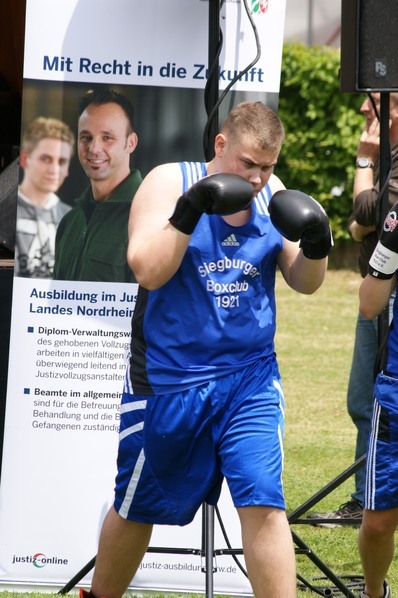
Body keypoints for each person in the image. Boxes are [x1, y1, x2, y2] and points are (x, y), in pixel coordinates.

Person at [79, 101, 332, 598]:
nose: (259, 178)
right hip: (172, 380)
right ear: (221, 146)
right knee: (137, 505)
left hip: (250, 378)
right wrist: (190, 210)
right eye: (248, 164)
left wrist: (317, 247)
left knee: (263, 499)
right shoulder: (168, 181)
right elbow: (146, 269)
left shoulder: (272, 196)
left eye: (268, 166)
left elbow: (305, 283)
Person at [308, 92, 398, 528]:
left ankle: (368, 504)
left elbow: (367, 215)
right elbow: (362, 221)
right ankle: (368, 500)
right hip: (380, 291)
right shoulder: (393, 156)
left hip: (387, 298)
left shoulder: (391, 160)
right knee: (366, 401)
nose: (366, 108)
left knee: (369, 401)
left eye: (377, 100)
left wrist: (365, 159)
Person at [53, 88, 141, 282]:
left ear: (131, 143)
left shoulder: (147, 217)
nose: (93, 149)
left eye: (107, 137)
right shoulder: (69, 222)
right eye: (86, 137)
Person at [355, 198, 398, 598]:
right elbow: (369, 305)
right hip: (397, 391)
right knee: (378, 523)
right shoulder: (397, 218)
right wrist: (389, 247)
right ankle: (374, 593)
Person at [15, 116, 75, 278]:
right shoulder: (6, 209)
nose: (54, 170)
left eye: (62, 161)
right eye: (46, 159)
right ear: (25, 159)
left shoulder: (72, 218)